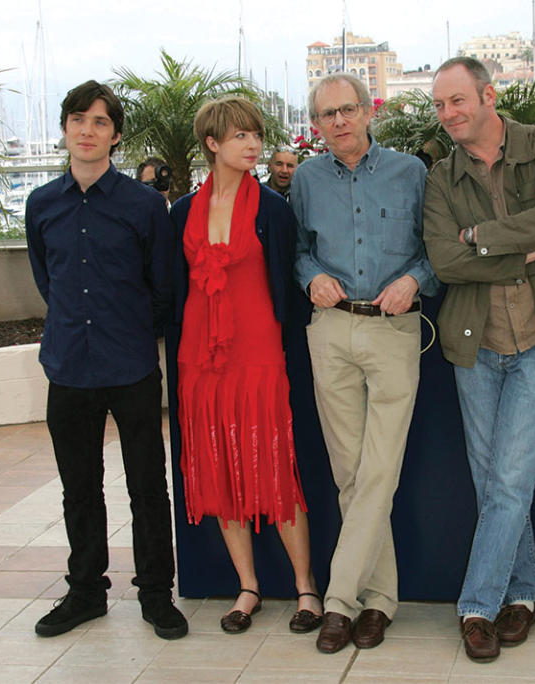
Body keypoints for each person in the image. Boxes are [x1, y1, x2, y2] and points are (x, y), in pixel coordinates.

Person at [423, 57, 535, 663]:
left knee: (510, 479)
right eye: (440, 105)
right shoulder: (442, 175)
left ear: (488, 95)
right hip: (475, 345)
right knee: (492, 481)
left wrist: (482, 236)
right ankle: (522, 593)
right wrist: (523, 250)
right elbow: (446, 262)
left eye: (457, 101)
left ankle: (476, 606)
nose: (448, 114)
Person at [25, 80, 187, 640]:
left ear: (115, 135)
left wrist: (127, 330)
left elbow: (161, 285)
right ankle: (87, 591)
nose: (88, 131)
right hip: (68, 366)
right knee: (79, 486)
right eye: (78, 120)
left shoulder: (144, 205)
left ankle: (156, 595)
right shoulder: (41, 203)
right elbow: (49, 280)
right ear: (65, 129)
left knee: (147, 484)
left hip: (131, 366)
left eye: (100, 122)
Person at [291, 73, 438, 654]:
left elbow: (434, 251)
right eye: (327, 115)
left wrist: (413, 280)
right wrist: (311, 278)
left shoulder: (411, 173)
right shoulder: (305, 178)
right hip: (331, 331)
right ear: (317, 125)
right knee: (350, 472)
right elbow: (299, 250)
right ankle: (378, 601)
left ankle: (338, 599)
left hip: (394, 329)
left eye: (347, 110)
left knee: (379, 469)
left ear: (368, 111)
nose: (339, 123)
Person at [167, 96, 322, 635]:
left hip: (259, 355)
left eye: (256, 135)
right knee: (219, 471)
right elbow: (171, 287)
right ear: (212, 143)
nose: (253, 144)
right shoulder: (183, 211)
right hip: (200, 359)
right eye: (240, 136)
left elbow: (291, 274)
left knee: (273, 468)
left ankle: (306, 589)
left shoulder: (273, 209)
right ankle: (247, 587)